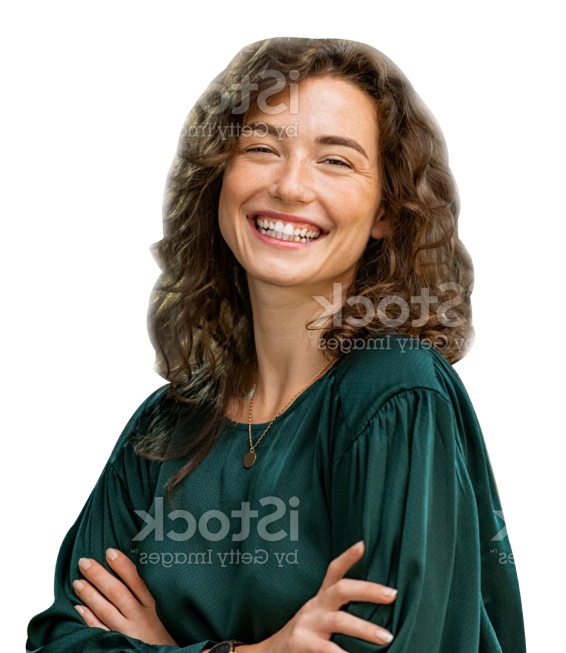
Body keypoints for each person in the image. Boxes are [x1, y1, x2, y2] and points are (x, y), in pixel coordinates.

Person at [25, 37, 526, 653]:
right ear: (219, 177)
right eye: (261, 148)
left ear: (386, 212)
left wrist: (160, 647)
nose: (290, 186)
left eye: (335, 160)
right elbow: (58, 641)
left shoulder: (396, 392)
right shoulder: (164, 426)